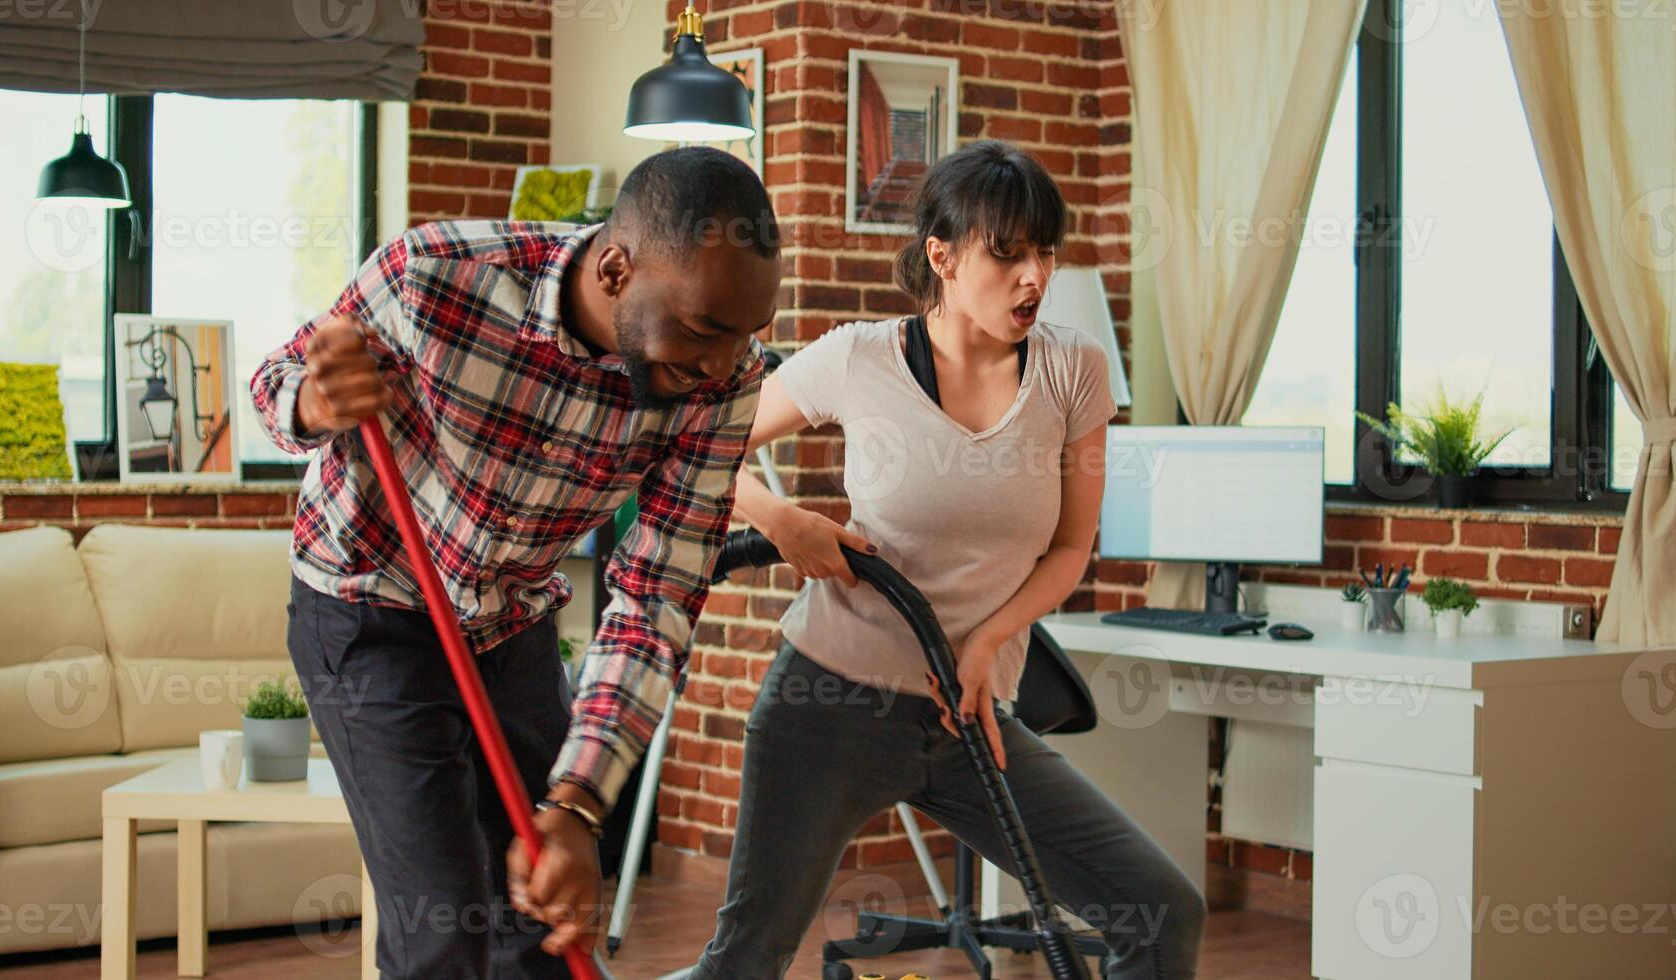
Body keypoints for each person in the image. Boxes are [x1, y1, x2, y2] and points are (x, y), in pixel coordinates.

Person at [250, 146, 782, 979]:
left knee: (547, 919)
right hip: (369, 607)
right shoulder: (431, 277)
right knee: (444, 933)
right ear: (615, 270)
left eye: (745, 337)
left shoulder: (725, 381)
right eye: (704, 330)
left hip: (511, 617)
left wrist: (576, 804)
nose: (723, 364)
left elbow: (657, 595)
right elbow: (278, 378)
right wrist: (315, 401)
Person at [687, 141, 1206, 980]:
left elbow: (1071, 548)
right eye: (1007, 253)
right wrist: (782, 521)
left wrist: (991, 639)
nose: (1034, 276)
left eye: (1045, 251)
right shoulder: (860, 358)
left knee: (1164, 913)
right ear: (943, 255)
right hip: (828, 706)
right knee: (744, 961)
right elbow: (697, 446)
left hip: (970, 717)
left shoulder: (1074, 370)